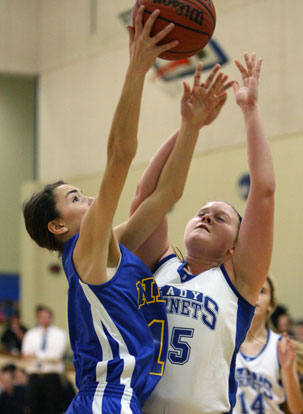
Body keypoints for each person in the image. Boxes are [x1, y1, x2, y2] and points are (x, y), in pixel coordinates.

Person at [22, 6, 231, 414]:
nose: (90, 198)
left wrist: (191, 126)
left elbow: (168, 193)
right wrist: (138, 65)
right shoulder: (83, 252)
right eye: (76, 199)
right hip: (107, 400)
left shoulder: (112, 250)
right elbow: (120, 157)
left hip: (121, 401)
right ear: (58, 225)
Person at [128, 52, 276, 414]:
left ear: (234, 248)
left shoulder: (237, 281)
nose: (207, 217)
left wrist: (250, 109)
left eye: (221, 218)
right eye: (201, 213)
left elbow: (265, 192)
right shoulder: (159, 264)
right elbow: (146, 198)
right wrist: (187, 125)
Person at [234, 277, 303, 414]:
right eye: (249, 290)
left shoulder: (281, 346)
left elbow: (297, 409)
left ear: (272, 304)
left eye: (262, 291)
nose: (255, 295)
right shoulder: (226, 341)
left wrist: (289, 371)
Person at [21, 305, 67, 414]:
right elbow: (26, 354)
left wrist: (36, 355)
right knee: (34, 407)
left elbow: (57, 356)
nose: (44, 319)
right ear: (38, 318)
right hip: (34, 377)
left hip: (52, 376)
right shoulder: (30, 334)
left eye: (47, 316)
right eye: (41, 316)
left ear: (51, 318)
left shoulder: (59, 334)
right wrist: (47, 356)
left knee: (53, 408)